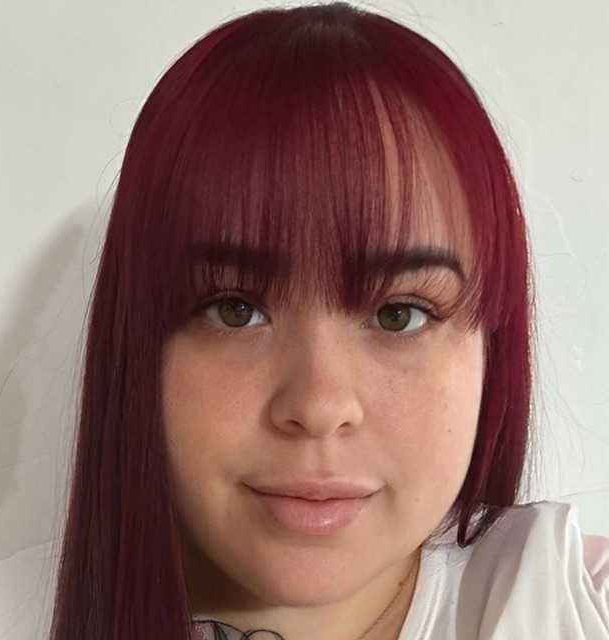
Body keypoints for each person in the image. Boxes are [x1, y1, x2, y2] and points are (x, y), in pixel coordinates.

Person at [47, 2, 609, 639]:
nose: (318, 406)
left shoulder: (572, 604)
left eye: (399, 314)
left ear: (491, 349)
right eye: (235, 310)